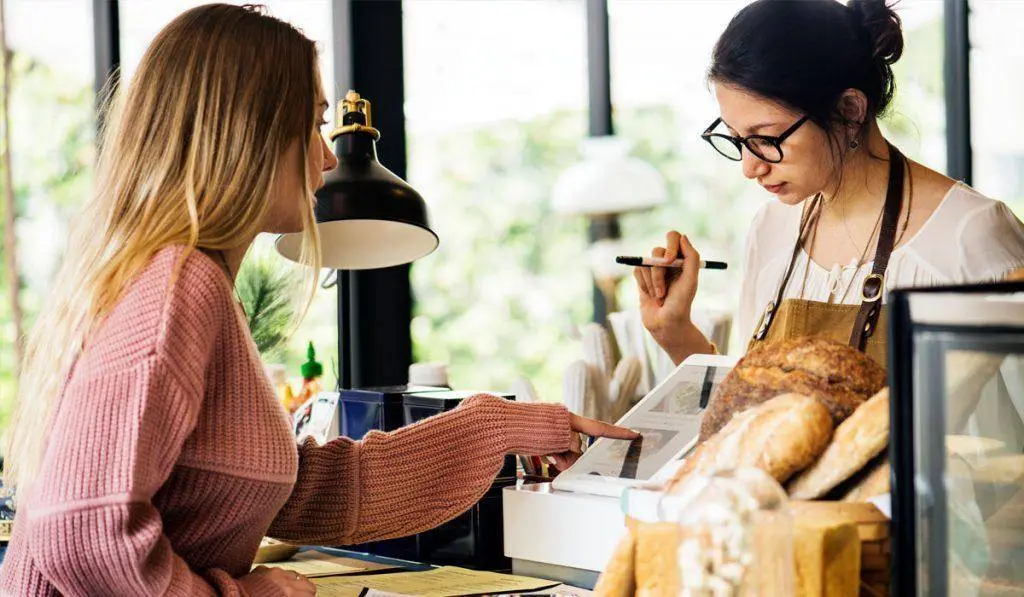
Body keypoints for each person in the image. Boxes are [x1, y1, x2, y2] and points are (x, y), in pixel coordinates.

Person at [0, 5, 636, 596]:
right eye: (311, 125)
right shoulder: (176, 287)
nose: (328, 157)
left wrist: (494, 425)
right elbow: (81, 528)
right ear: (246, 136)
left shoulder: (189, 282)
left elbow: (294, 491)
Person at [635, 0, 1024, 367]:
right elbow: (750, 419)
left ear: (850, 110)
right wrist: (675, 332)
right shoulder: (771, 230)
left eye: (766, 138)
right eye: (737, 139)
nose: (750, 167)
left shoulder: (969, 236)